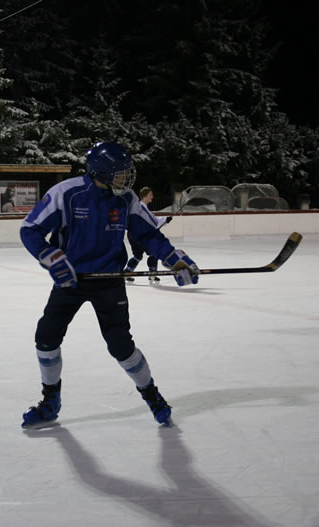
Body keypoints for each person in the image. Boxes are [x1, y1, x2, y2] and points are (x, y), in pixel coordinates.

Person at [19, 141, 200, 428]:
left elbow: (150, 235)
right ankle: (50, 401)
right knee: (46, 338)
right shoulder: (67, 194)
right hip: (71, 281)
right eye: (120, 174)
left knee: (121, 346)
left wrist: (174, 259)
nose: (126, 180)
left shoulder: (127, 199)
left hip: (109, 281)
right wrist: (52, 258)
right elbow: (30, 230)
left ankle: (152, 396)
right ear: (100, 172)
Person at [124, 186, 173, 284]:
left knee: (137, 255)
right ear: (145, 196)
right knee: (153, 252)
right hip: (140, 235)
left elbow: (152, 220)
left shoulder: (141, 207)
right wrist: (164, 220)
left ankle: (127, 273)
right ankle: (152, 274)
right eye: (150, 194)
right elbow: (153, 222)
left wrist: (165, 220)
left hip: (133, 234)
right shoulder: (141, 206)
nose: (152, 197)